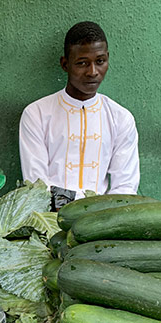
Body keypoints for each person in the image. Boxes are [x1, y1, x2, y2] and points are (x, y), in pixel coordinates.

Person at [19, 21, 139, 209]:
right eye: (82, 63)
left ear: (108, 59)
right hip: (48, 218)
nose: (92, 72)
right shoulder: (36, 114)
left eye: (100, 61)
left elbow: (125, 188)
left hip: (102, 221)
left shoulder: (120, 118)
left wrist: (98, 218)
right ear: (65, 64)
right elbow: (36, 187)